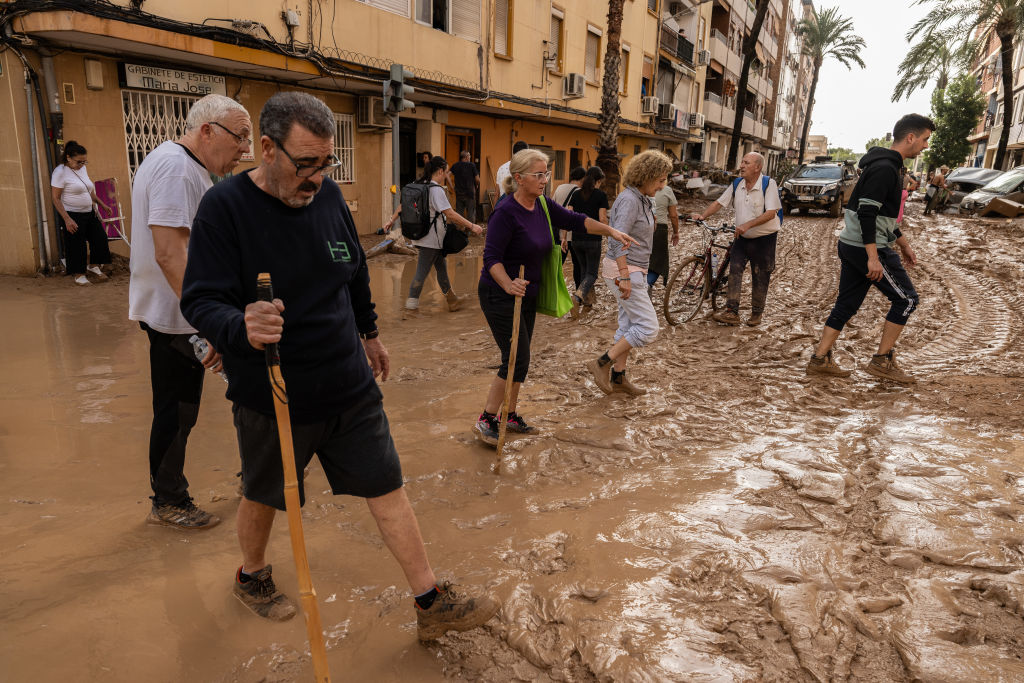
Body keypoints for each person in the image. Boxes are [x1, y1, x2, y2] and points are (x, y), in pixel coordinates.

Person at [180, 92, 500, 638]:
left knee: (387, 483)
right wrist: (240, 327)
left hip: (347, 380)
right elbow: (199, 298)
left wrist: (370, 333)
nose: (317, 177)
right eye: (305, 163)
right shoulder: (224, 207)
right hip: (274, 389)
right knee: (265, 492)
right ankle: (251, 575)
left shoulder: (327, 198)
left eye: (326, 163)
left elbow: (352, 269)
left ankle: (429, 601)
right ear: (265, 149)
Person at [128, 93, 253, 529]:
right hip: (179, 317)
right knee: (178, 410)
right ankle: (169, 502)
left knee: (198, 402)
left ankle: (251, 476)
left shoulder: (179, 164)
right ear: (207, 131)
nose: (243, 150)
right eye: (239, 138)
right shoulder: (178, 169)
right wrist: (210, 323)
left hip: (183, 314)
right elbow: (170, 254)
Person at [475, 149, 635, 444]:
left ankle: (509, 415)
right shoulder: (505, 212)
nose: (544, 180)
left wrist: (611, 231)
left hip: (528, 293)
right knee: (514, 357)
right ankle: (487, 418)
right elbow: (490, 257)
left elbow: (577, 221)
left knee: (521, 359)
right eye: (538, 174)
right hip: (500, 294)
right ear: (519, 178)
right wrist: (508, 284)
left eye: (546, 173)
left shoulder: (543, 206)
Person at [806, 113, 933, 383]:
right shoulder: (886, 168)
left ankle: (819, 359)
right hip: (866, 248)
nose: (925, 146)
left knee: (846, 304)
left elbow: (883, 216)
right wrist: (873, 258)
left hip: (853, 245)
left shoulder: (885, 165)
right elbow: (867, 214)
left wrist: (904, 243)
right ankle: (881, 361)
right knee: (907, 299)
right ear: (910, 137)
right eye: (924, 140)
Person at [587, 150, 674, 397]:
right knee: (648, 328)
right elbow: (616, 240)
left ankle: (618, 377)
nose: (662, 185)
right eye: (660, 180)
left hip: (635, 269)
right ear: (647, 176)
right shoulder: (629, 200)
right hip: (624, 270)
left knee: (629, 324)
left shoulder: (644, 199)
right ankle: (602, 362)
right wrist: (624, 275)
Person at [691, 152, 782, 326]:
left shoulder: (768, 184)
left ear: (757, 167)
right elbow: (719, 203)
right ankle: (732, 312)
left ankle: (756, 313)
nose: (741, 166)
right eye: (741, 162)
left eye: (746, 163)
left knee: (760, 275)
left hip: (764, 239)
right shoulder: (737, 183)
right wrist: (703, 216)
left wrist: (748, 225)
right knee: (734, 271)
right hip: (742, 237)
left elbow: (771, 213)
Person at [395, 156, 483, 316]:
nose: (447, 175)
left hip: (424, 236)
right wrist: (472, 225)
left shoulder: (421, 185)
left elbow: (402, 207)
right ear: (440, 171)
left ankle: (452, 301)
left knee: (441, 268)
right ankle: (411, 306)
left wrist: (390, 221)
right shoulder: (436, 190)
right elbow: (450, 213)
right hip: (431, 238)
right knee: (421, 271)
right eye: (447, 172)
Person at [51, 140, 112, 285]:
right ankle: (79, 275)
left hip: (88, 212)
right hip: (72, 214)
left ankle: (93, 266)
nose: (82, 165)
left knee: (100, 238)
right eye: (79, 162)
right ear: (68, 158)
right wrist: (67, 219)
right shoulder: (60, 172)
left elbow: (88, 189)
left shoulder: (82, 169)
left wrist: (102, 204)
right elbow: (55, 198)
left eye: (84, 162)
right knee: (77, 245)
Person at [566, 166, 610, 313]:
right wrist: (611, 233)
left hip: (576, 239)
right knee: (592, 274)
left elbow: (568, 215)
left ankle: (587, 303)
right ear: (597, 181)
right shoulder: (601, 196)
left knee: (584, 271)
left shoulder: (576, 194)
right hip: (593, 239)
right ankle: (577, 297)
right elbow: (603, 219)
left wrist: (566, 237)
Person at [649, 174, 681, 288]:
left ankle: (643, 289)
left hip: (641, 228)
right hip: (660, 229)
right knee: (658, 263)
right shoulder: (667, 190)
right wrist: (676, 232)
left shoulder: (642, 187)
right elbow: (673, 215)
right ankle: (647, 285)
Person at [554, 166, 586, 277]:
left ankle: (554, 289)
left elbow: (553, 206)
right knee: (577, 265)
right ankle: (578, 290)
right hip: (573, 235)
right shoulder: (580, 192)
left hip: (559, 232)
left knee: (557, 264)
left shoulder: (559, 188)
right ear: (583, 179)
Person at [450, 150, 480, 223]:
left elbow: (447, 175)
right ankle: (470, 230)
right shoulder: (471, 165)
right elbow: (477, 179)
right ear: (466, 157)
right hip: (469, 193)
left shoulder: (455, 165)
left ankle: (460, 229)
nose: (470, 157)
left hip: (459, 193)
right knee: (470, 213)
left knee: (459, 212)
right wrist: (477, 185)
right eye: (469, 156)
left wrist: (451, 186)